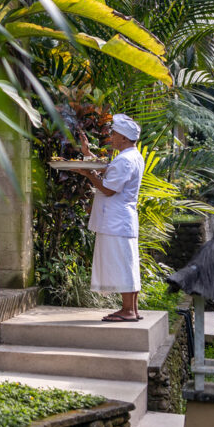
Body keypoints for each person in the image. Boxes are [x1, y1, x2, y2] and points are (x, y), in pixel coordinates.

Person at [76, 114, 145, 322]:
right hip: (121, 220)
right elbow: (107, 170)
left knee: (123, 263)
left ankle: (128, 310)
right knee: (127, 263)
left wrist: (88, 175)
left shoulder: (125, 160)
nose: (111, 137)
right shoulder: (132, 156)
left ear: (124, 138)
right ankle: (131, 309)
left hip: (116, 220)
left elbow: (108, 189)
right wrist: (87, 154)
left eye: (114, 134)